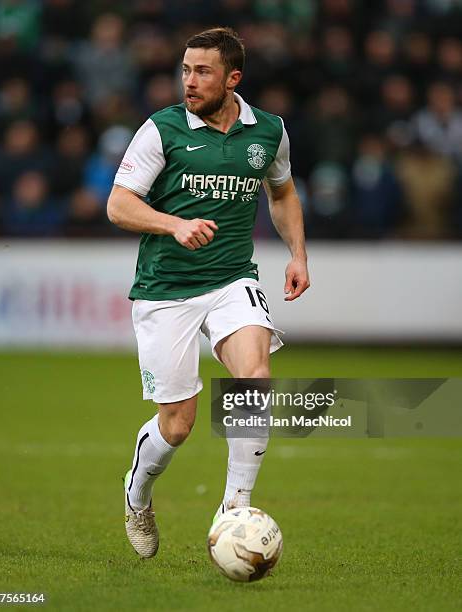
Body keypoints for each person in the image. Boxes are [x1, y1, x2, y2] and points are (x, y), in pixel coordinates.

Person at [107, 27, 310, 559]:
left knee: (255, 373)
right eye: (185, 70)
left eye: (202, 72)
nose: (189, 82)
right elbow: (119, 205)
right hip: (165, 288)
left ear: (232, 78)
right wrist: (173, 225)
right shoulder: (162, 129)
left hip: (231, 279)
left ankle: (234, 509)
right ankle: (137, 495)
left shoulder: (268, 131)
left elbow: (283, 191)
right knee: (179, 425)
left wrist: (297, 254)